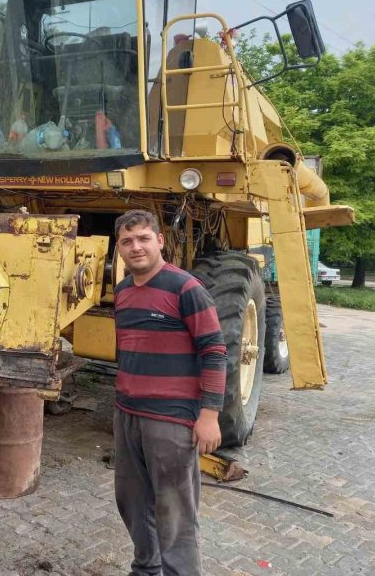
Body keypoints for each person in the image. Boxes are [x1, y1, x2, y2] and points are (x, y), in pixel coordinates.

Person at [112, 209, 227, 576]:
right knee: (131, 500)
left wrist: (209, 415)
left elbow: (214, 350)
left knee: (175, 510)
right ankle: (146, 567)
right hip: (128, 413)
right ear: (119, 248)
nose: (136, 247)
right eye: (127, 241)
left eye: (144, 238)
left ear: (160, 241)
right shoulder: (123, 292)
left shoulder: (186, 288)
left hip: (171, 420)